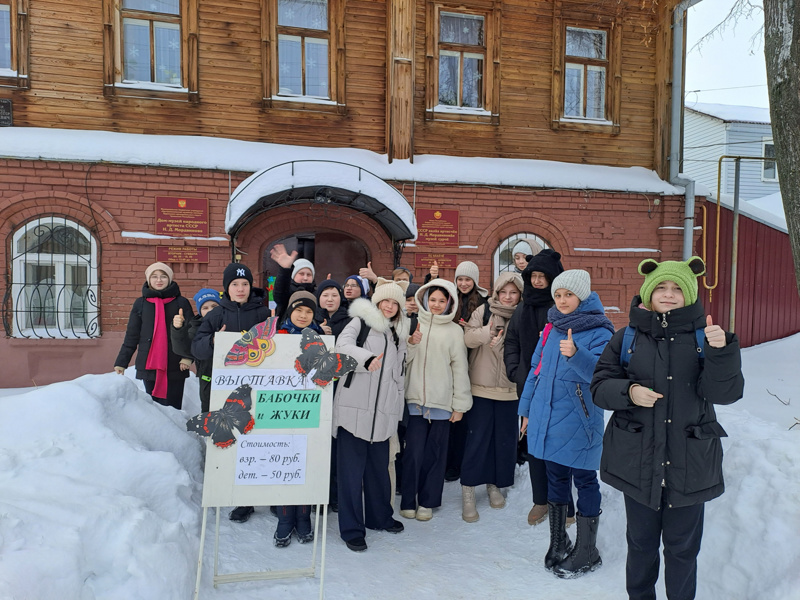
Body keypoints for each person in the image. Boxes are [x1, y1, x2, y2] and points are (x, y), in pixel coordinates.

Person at [591, 258, 744, 599]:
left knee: (682, 552)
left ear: (689, 295)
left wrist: (722, 353)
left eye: (677, 288)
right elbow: (599, 386)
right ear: (648, 291)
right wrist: (628, 392)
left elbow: (726, 394)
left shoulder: (706, 338)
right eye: (661, 287)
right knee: (641, 548)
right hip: (639, 463)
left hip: (689, 464)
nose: (670, 294)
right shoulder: (626, 337)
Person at [519, 269, 614, 578]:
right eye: (558, 295)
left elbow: (603, 376)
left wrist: (577, 354)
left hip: (580, 419)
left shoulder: (600, 331)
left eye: (568, 295)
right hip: (546, 417)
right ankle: (558, 542)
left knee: (585, 480)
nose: (562, 300)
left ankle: (588, 550)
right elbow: (536, 369)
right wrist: (526, 410)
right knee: (556, 477)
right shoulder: (551, 328)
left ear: (582, 296)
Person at [333, 279, 409, 552]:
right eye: (385, 301)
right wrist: (365, 359)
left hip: (383, 416)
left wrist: (396, 414)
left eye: (394, 303)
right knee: (351, 475)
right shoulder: (360, 322)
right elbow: (341, 347)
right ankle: (352, 529)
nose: (389, 306)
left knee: (378, 472)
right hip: (353, 413)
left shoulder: (397, 333)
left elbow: (398, 377)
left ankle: (379, 517)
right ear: (376, 302)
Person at [191, 262, 270, 524]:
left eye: (245, 284)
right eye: (235, 284)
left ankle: (257, 494)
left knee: (255, 438)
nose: (240, 288)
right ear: (226, 288)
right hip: (225, 391)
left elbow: (276, 345)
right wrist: (214, 340)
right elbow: (197, 348)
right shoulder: (216, 316)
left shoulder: (262, 313)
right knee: (231, 439)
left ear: (250, 287)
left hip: (256, 386)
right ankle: (237, 497)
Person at [504, 248, 572, 526]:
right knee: (534, 444)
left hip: (559, 388)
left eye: (544, 276)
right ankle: (540, 500)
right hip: (529, 387)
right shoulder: (523, 307)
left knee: (560, 445)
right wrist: (514, 370)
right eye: (534, 276)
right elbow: (512, 341)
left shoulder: (563, 308)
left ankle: (565, 503)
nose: (538, 281)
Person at [400, 279, 471, 522]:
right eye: (433, 300)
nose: (437, 304)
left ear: (449, 302)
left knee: (435, 454)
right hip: (415, 401)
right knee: (413, 453)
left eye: (442, 301)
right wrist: (411, 344)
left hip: (442, 403)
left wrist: (460, 405)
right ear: (425, 300)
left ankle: (428, 502)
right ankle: (408, 499)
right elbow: (403, 362)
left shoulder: (454, 331)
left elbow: (460, 368)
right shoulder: (413, 324)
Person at [460, 272, 523, 522]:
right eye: (503, 292)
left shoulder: (523, 314)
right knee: (478, 440)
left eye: (513, 293)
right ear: (496, 292)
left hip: (510, 389)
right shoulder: (484, 311)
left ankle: (494, 484)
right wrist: (486, 333)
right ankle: (468, 488)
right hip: (481, 387)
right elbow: (468, 337)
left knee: (504, 442)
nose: (508, 297)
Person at [272, 291, 325, 546]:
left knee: (305, 465)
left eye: (309, 312)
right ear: (290, 311)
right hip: (281, 411)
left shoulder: (322, 339)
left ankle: (304, 518)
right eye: (299, 310)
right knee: (285, 464)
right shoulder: (277, 337)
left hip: (311, 410)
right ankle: (284, 519)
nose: (303, 316)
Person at [114, 262, 193, 410]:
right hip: (149, 364)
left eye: (163, 276)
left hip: (176, 363)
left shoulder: (181, 302)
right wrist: (122, 361)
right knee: (154, 409)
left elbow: (192, 331)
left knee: (174, 409)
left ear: (169, 279)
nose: (159, 280)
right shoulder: (141, 304)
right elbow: (132, 334)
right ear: (148, 280)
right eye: (154, 276)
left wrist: (187, 357)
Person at [445, 260, 489, 481]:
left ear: (475, 281)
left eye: (467, 279)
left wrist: (468, 329)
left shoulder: (483, 302)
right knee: (451, 415)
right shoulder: (450, 298)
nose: (463, 283)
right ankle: (449, 461)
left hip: (473, 361)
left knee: (467, 418)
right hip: (450, 361)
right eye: (460, 279)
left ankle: (460, 463)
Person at [171, 288, 221, 412]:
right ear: (199, 311)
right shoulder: (196, 327)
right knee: (208, 412)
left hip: (229, 378)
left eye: (214, 306)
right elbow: (185, 348)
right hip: (207, 379)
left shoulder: (229, 323)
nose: (210, 311)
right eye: (205, 308)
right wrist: (178, 329)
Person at [270, 243, 316, 319]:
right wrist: (285, 269)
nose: (305, 278)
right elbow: (279, 293)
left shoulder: (316, 294)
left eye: (309, 275)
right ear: (293, 275)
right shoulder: (287, 293)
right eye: (301, 274)